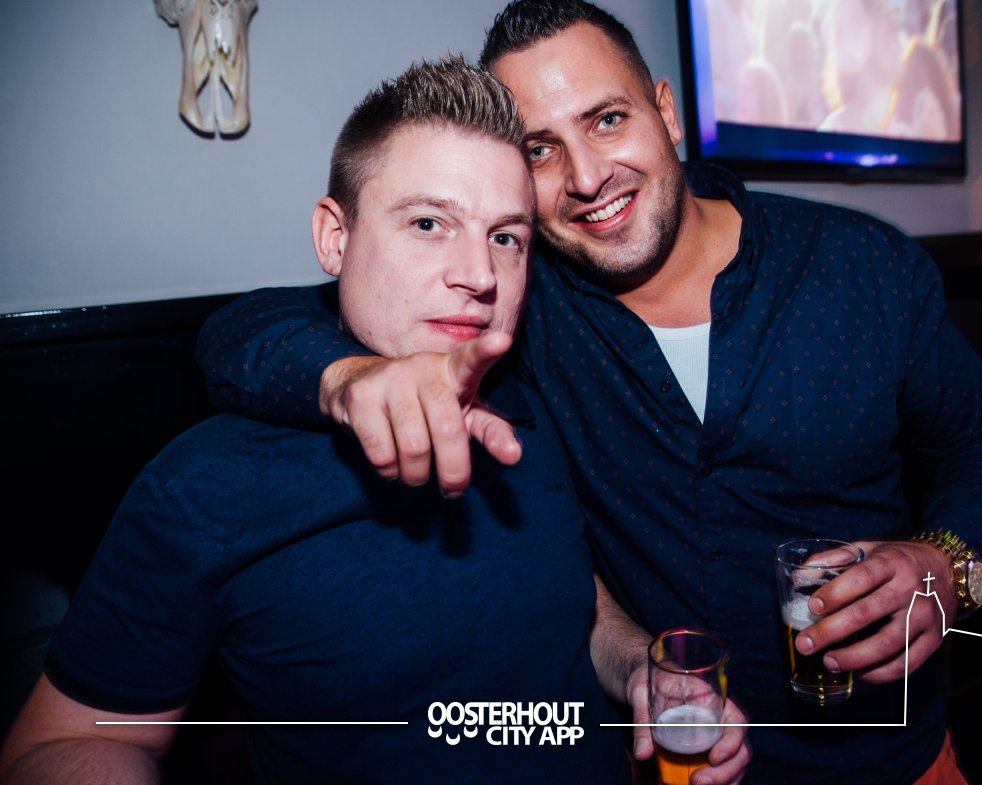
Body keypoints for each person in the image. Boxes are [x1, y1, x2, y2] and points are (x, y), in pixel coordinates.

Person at [193, 0, 982, 783]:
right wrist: (347, 377)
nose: (588, 176)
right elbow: (247, 330)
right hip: (672, 763)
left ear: (666, 111)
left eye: (606, 119)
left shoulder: (860, 265)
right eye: (540, 149)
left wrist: (946, 561)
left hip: (892, 759)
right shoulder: (515, 302)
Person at [0, 55, 750, 785]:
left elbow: (572, 607)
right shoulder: (204, 482)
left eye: (506, 237)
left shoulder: (528, 415)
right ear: (336, 237)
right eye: (428, 222)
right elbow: (61, 741)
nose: (479, 275)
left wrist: (640, 667)